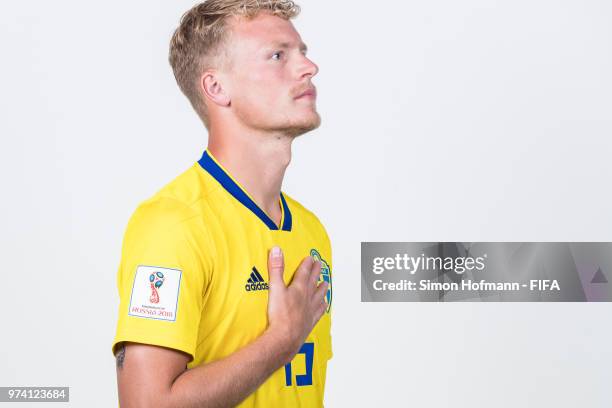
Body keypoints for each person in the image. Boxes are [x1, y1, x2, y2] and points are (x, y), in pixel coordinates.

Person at [111, 0, 333, 406]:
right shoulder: (173, 225)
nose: (307, 68)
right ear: (216, 88)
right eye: (277, 56)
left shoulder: (310, 230)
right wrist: (282, 339)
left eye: (303, 52)